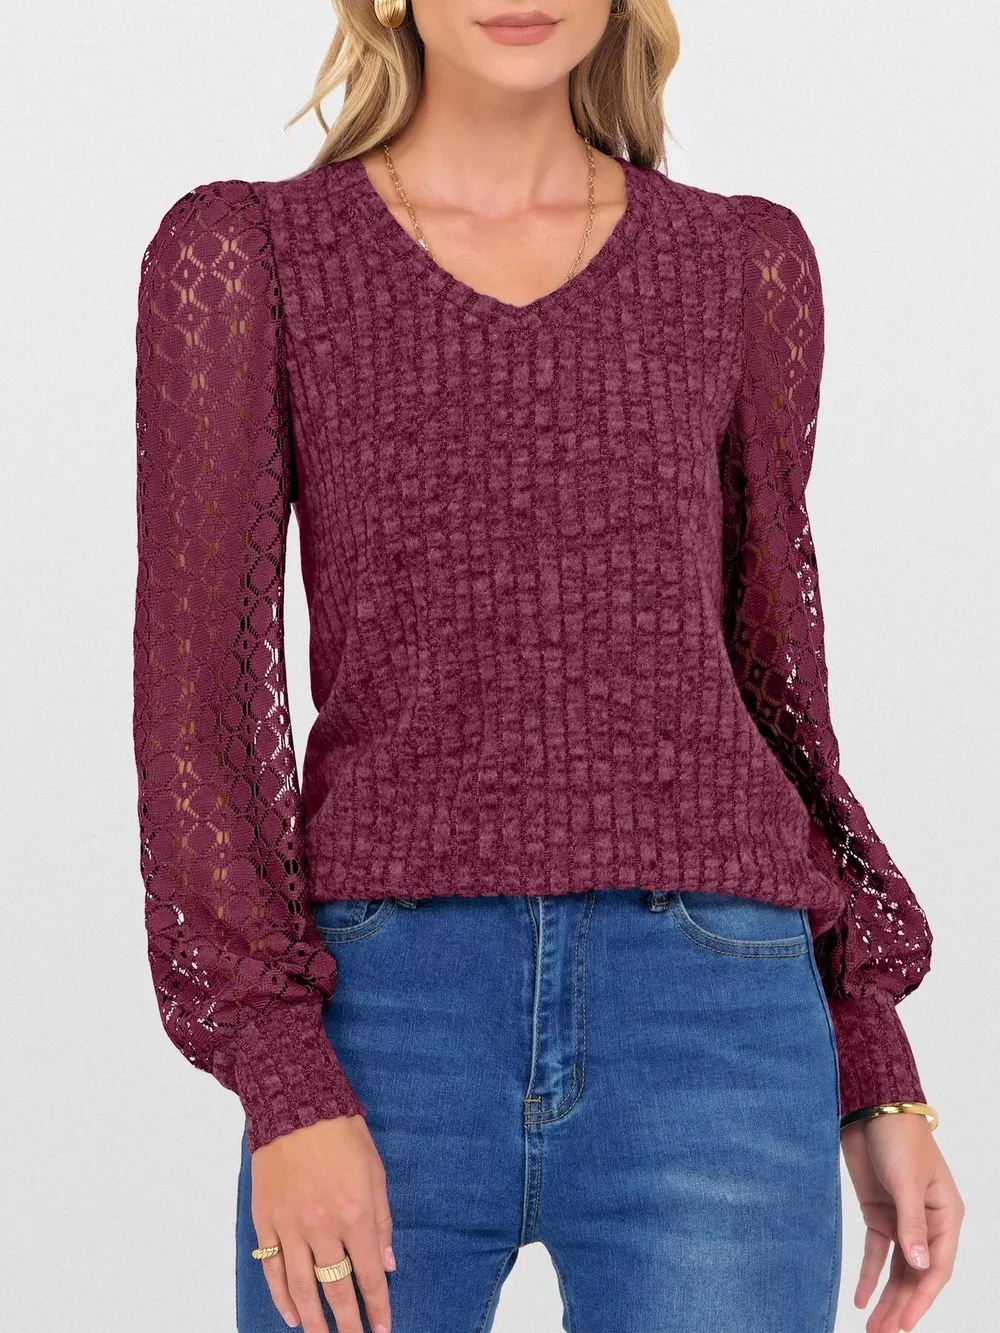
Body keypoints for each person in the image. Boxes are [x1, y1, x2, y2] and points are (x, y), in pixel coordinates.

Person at [130, 3, 964, 1331]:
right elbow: (201, 703)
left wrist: (872, 1057)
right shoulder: (248, 256)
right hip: (382, 1020)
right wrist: (280, 1074)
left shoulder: (743, 263)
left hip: (716, 1015)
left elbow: (777, 684)